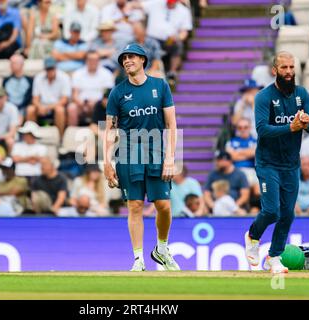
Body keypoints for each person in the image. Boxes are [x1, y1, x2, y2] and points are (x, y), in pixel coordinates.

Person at [103, 43, 180, 271]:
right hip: (128, 153)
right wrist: (107, 163)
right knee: (135, 205)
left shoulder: (160, 86)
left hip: (156, 151)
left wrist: (170, 157)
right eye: (124, 58)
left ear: (143, 60)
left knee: (164, 206)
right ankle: (138, 259)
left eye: (132, 57)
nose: (127, 61)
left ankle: (161, 248)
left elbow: (172, 124)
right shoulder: (117, 92)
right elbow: (110, 130)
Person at [244, 51, 309, 274]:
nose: (288, 72)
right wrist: (291, 127)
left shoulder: (302, 94)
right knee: (271, 211)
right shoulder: (264, 97)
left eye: (291, 67)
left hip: (291, 164)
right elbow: (262, 130)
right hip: (268, 163)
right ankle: (252, 236)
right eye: (284, 68)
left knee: (288, 214)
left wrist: (306, 122)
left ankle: (274, 257)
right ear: (274, 70)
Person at [135, 0, 193, 83]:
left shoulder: (184, 11)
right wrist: (129, 6)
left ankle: (172, 72)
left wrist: (177, 37)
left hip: (169, 41)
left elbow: (184, 32)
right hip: (152, 39)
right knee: (146, 45)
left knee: (178, 45)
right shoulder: (156, 3)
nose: (169, 3)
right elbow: (139, 5)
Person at [68, 50, 115, 126]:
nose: (93, 62)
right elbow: (75, 94)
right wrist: (82, 104)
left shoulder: (106, 74)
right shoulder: (78, 73)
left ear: (99, 61)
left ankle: (105, 133)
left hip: (100, 104)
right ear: (86, 60)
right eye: (90, 60)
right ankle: (72, 134)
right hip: (82, 104)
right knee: (72, 108)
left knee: (108, 106)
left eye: (95, 60)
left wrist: (96, 103)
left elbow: (107, 95)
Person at [28, 57, 71, 136]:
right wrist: (40, 107)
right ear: (45, 69)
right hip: (42, 106)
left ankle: (60, 138)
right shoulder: (38, 77)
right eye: (48, 69)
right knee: (30, 110)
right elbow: (35, 99)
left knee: (60, 110)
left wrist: (48, 108)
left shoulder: (64, 77)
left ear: (56, 68)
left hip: (56, 105)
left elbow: (64, 100)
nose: (50, 71)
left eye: (52, 68)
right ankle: (32, 136)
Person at [3, 54, 33, 122]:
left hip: (23, 107)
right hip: (9, 107)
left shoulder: (29, 80)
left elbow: (29, 97)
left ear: (22, 64)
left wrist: (20, 108)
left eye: (13, 63)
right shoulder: (6, 80)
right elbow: (5, 96)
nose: (11, 65)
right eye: (10, 63)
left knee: (29, 110)